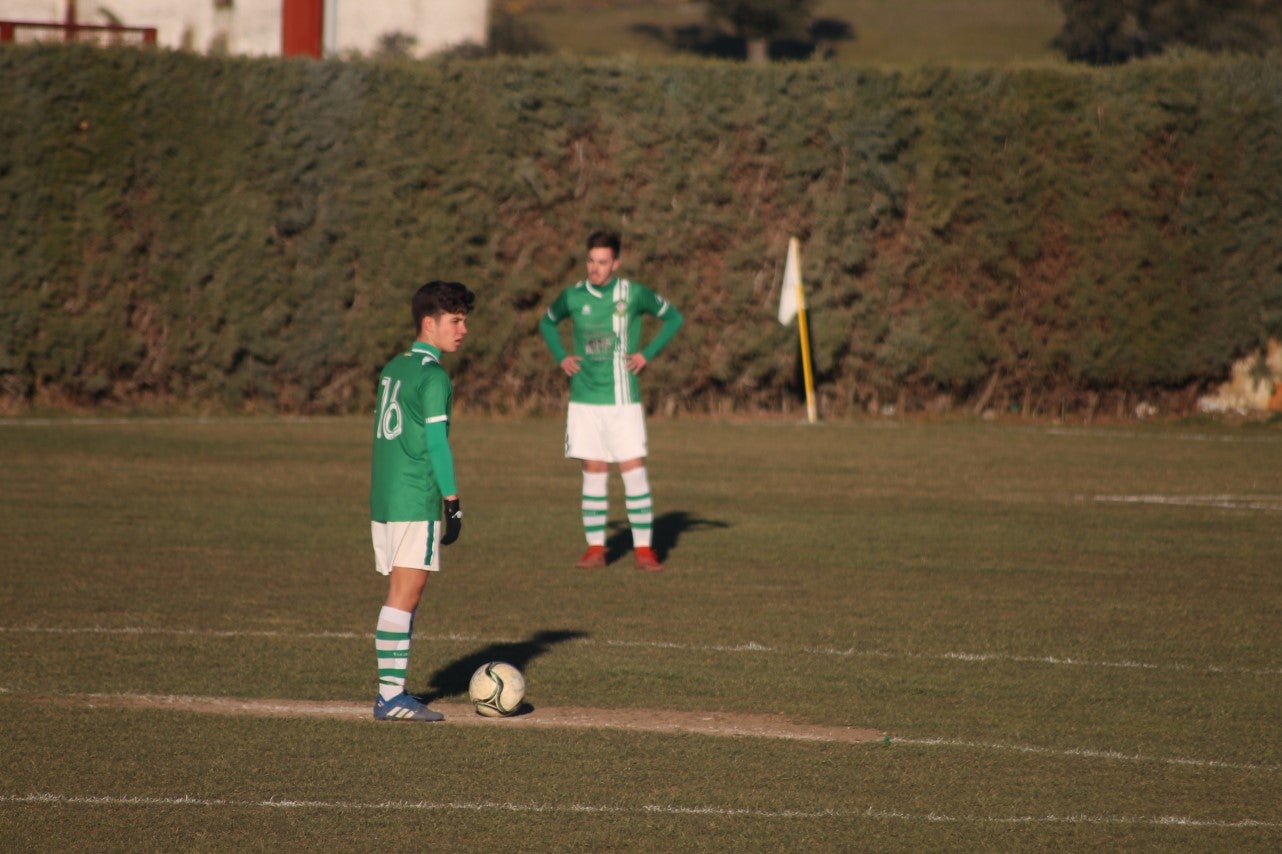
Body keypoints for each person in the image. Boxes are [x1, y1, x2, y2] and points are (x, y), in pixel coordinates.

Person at [539, 230, 683, 572]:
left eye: (603, 262)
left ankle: (645, 551)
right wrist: (561, 356)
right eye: (591, 260)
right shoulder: (572, 297)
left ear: (615, 263)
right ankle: (596, 549)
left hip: (623, 401)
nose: (595, 268)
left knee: (633, 470)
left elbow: (673, 318)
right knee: (594, 470)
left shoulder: (632, 294)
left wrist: (647, 354)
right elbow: (547, 323)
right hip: (585, 401)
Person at [369, 280, 474, 721]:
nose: (463, 329)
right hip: (414, 496)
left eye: (465, 320)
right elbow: (437, 442)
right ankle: (391, 698)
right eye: (455, 321)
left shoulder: (394, 367)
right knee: (405, 596)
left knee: (399, 593)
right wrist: (452, 500)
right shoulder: (434, 376)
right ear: (428, 323)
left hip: (385, 495)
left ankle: (391, 694)